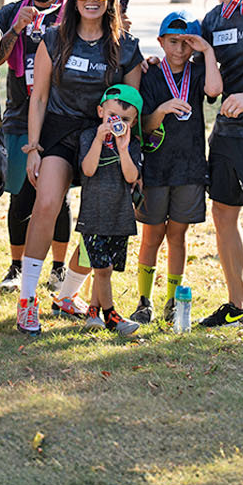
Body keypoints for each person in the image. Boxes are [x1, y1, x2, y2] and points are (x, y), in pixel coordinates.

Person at [19, 0, 142, 334]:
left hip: (103, 139)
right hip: (60, 132)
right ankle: (27, 299)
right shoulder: (53, 39)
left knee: (101, 220)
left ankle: (67, 294)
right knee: (46, 205)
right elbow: (39, 97)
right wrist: (34, 147)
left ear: (110, 0)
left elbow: (132, 107)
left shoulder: (126, 47)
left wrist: (125, 151)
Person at [0, 0, 76, 299]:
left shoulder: (76, 12)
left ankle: (58, 268)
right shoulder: (12, 11)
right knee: (20, 194)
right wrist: (15, 29)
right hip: (18, 117)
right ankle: (16, 266)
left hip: (62, 118)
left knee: (58, 197)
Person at [133, 13, 222, 324]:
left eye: (187, 43)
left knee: (177, 234)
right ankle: (144, 300)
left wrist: (207, 51)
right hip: (156, 169)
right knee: (152, 234)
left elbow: (214, 91)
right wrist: (162, 109)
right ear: (160, 42)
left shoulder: (198, 72)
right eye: (173, 42)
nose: (180, 50)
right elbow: (143, 126)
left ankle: (172, 300)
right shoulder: (150, 75)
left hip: (190, 167)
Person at [194, 0, 243, 328]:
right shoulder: (212, 20)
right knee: (223, 213)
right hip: (228, 133)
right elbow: (203, 79)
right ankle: (238, 304)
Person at [75, 86, 146, 333]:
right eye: (112, 116)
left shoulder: (132, 144)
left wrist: (123, 148)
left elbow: (131, 176)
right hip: (93, 215)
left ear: (133, 122)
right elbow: (88, 170)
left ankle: (93, 312)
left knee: (105, 269)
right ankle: (112, 317)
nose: (118, 123)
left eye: (125, 119)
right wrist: (98, 139)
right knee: (102, 268)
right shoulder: (88, 137)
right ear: (100, 112)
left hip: (119, 215)